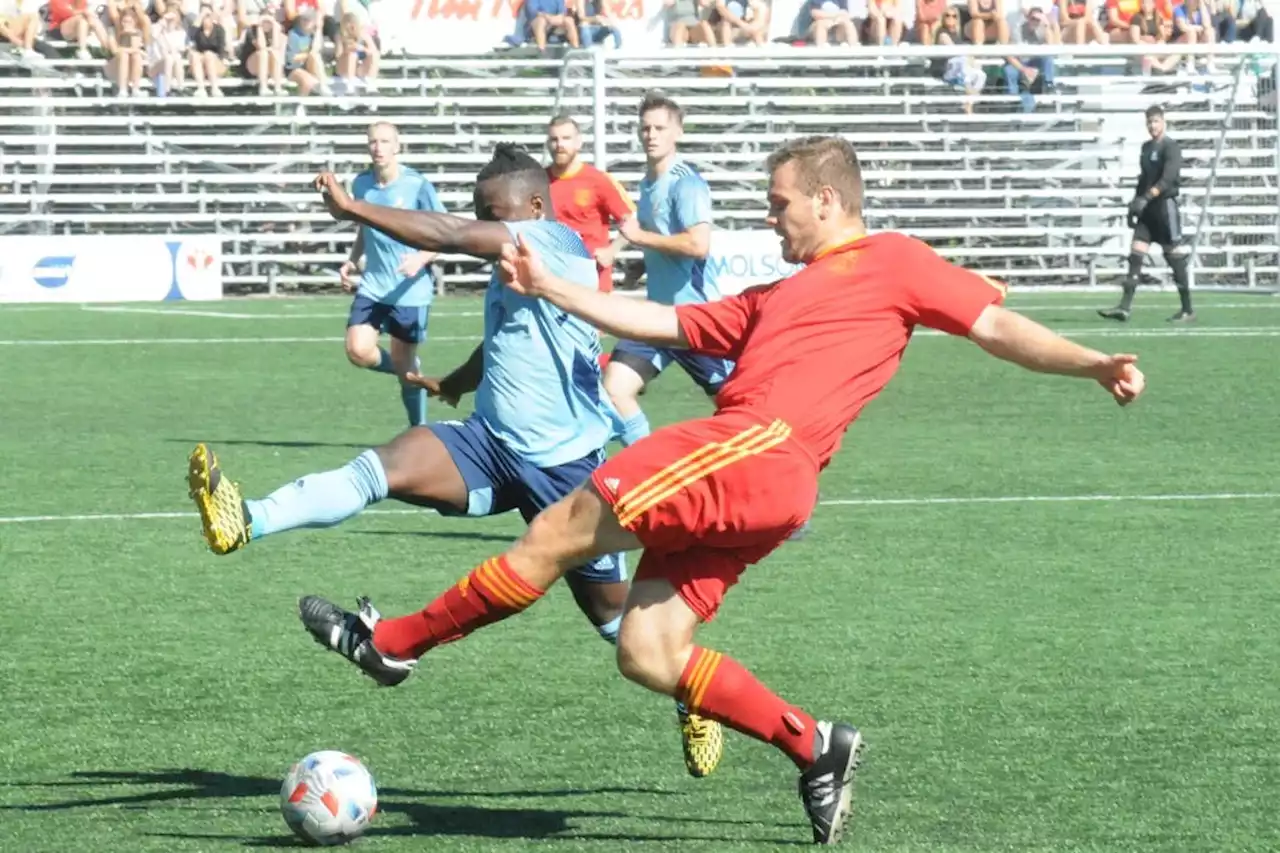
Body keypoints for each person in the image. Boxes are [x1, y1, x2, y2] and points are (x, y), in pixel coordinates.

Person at [295, 135, 1146, 844]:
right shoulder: (777, 293)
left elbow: (991, 321)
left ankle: (393, 644)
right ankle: (816, 745)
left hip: (751, 447)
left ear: (827, 199)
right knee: (647, 650)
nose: (771, 216)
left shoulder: (892, 260)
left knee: (555, 531)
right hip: (766, 479)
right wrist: (552, 286)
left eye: (780, 202)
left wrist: (1092, 362)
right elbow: (663, 323)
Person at [187, 143, 720, 777]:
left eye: (493, 213)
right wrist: (457, 382)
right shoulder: (519, 260)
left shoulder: (558, 246)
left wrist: (355, 208)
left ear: (534, 206)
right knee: (382, 464)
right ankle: (244, 518)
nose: (484, 223)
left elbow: (449, 233)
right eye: (479, 211)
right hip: (489, 443)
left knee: (614, 618)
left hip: (569, 471)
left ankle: (697, 698)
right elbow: (506, 337)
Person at [608, 93, 731, 449]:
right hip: (658, 318)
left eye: (660, 128)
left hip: (695, 320)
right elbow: (661, 241)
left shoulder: (686, 183)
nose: (651, 135)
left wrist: (639, 237)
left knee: (738, 407)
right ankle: (647, 473)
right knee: (614, 389)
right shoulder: (648, 184)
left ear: (677, 132)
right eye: (645, 128)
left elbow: (698, 245)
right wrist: (636, 266)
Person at [341, 122, 447, 426]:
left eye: (385, 141)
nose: (378, 147)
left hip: (409, 290)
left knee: (405, 368)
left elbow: (444, 232)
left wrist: (421, 258)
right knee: (357, 350)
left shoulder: (417, 185)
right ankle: (407, 370)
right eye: (373, 141)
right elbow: (365, 225)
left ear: (397, 147)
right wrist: (352, 259)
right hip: (374, 286)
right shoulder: (361, 184)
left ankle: (419, 429)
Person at [1098, 105, 1194, 323]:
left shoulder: (1171, 147)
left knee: (1174, 257)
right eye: (1149, 122)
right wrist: (1135, 203)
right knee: (1136, 255)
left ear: (1163, 122)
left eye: (1156, 121)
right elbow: (1144, 178)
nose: (1152, 126)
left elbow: (1168, 179)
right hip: (1148, 210)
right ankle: (1124, 308)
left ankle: (1187, 309)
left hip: (1164, 209)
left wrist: (1147, 197)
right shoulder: (1146, 147)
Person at [545, 112, 636, 293]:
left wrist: (612, 250)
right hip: (553, 281)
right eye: (554, 139)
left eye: (566, 138)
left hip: (593, 284)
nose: (560, 145)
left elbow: (632, 219)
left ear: (579, 142)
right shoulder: (538, 181)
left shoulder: (599, 180)